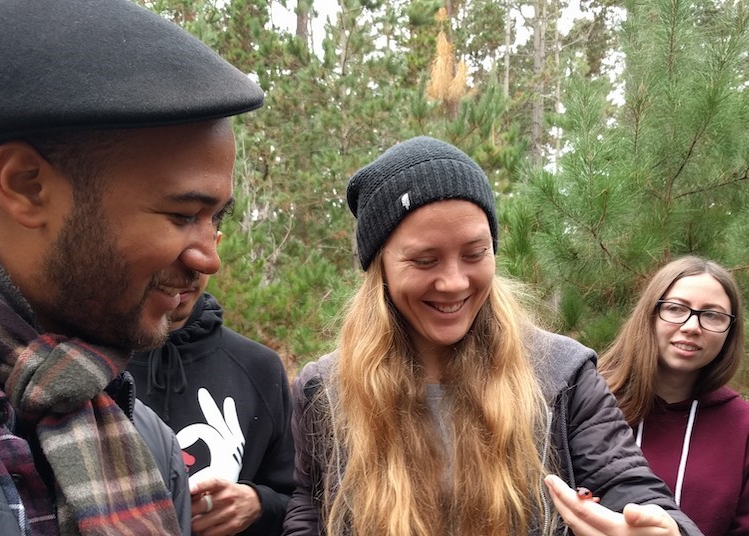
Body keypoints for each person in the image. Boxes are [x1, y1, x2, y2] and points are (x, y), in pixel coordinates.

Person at [281, 136, 702, 536]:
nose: (454, 282)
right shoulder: (326, 389)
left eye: (475, 253)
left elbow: (626, 483)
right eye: (425, 260)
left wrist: (665, 527)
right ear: (380, 269)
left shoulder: (562, 376)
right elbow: (310, 504)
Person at [0, 0, 264, 534]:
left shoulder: (143, 440)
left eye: (215, 218)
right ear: (27, 185)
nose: (209, 257)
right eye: (183, 214)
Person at [128, 269, 295, 536]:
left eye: (195, 255)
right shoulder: (87, 362)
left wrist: (258, 504)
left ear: (214, 246)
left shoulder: (259, 366)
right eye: (170, 251)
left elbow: (302, 502)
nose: (180, 273)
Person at [599, 256, 749, 536]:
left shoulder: (743, 426)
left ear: (730, 332)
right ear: (650, 314)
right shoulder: (591, 402)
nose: (692, 326)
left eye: (712, 315)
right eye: (676, 308)